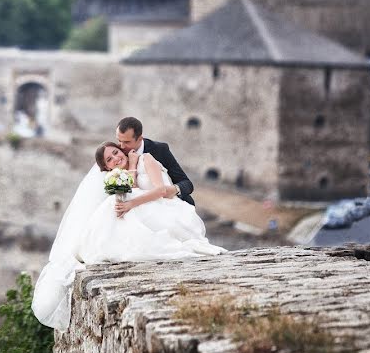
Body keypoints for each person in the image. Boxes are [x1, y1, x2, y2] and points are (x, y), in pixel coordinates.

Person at [31, 140, 225, 331]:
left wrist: (132, 188)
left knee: (119, 207)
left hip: (162, 205)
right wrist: (130, 173)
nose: (116, 158)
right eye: (109, 159)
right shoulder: (118, 175)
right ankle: (106, 246)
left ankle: (121, 244)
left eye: (116, 152)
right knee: (112, 207)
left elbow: (156, 190)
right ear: (106, 167)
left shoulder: (149, 156)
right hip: (146, 205)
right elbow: (130, 189)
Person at [116, 116, 195, 206]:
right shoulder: (116, 155)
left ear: (140, 139)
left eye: (127, 142)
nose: (121, 146)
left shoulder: (159, 149)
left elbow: (187, 184)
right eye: (119, 140)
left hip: (166, 205)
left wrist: (173, 189)